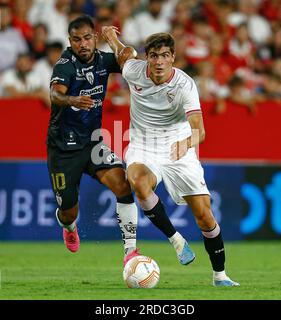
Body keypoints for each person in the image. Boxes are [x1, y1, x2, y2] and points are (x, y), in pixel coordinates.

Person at [102, 26, 239, 287]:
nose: (158, 61)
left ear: (173, 58)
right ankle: (176, 240)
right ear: (148, 58)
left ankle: (220, 275)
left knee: (204, 215)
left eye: (164, 55)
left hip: (180, 145)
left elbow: (200, 130)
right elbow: (123, 54)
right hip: (143, 145)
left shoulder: (185, 85)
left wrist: (186, 142)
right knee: (138, 182)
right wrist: (110, 36)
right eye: (153, 55)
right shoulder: (134, 71)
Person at [47, 15, 139, 264]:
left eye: (87, 38)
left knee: (123, 185)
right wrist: (72, 100)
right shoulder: (65, 65)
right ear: (70, 41)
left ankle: (130, 251)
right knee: (69, 211)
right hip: (63, 149)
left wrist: (114, 40)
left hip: (92, 143)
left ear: (95, 38)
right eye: (76, 40)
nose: (83, 44)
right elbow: (55, 95)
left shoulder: (102, 60)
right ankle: (67, 227)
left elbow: (131, 59)